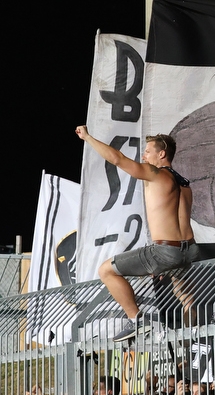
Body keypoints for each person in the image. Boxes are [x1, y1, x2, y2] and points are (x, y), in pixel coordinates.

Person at [76, 127, 196, 342]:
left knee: (106, 270)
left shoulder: (156, 174)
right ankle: (192, 340)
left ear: (162, 154)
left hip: (166, 251)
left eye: (148, 151)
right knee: (186, 297)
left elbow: (117, 159)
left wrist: (87, 137)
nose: (143, 156)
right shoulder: (184, 184)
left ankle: (136, 320)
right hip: (189, 250)